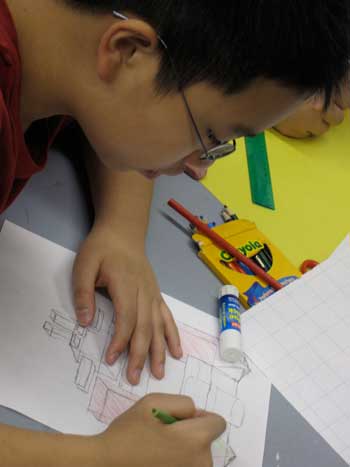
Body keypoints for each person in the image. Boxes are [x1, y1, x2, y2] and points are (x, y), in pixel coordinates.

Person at [1, 0, 350, 465]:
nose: (199, 171)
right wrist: (102, 459)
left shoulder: (57, 35)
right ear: (127, 51)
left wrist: (122, 229)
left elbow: (109, 89)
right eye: (210, 137)